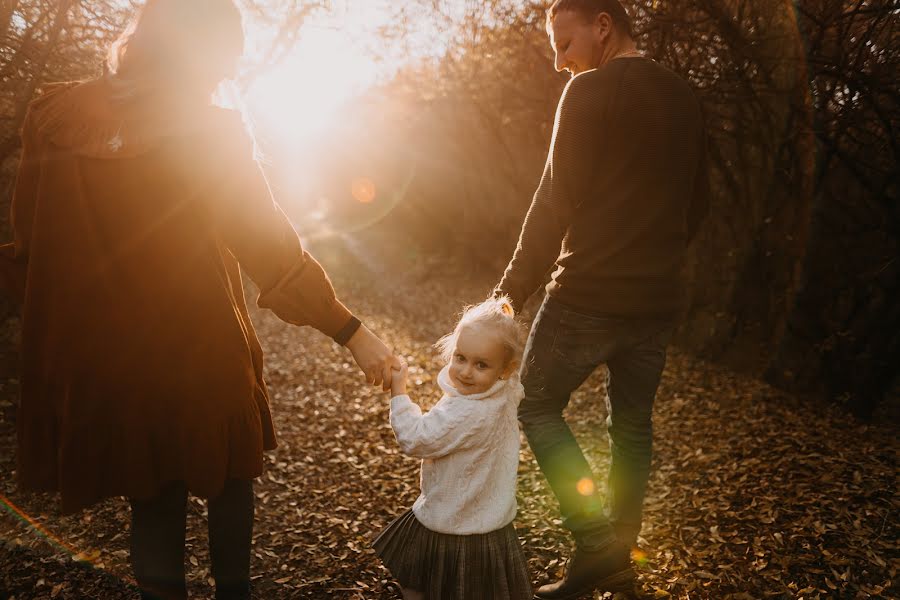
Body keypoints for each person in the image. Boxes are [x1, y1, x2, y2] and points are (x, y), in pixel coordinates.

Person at [0, 1, 399, 599]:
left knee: (151, 498)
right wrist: (351, 332)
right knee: (230, 477)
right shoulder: (210, 130)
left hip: (109, 363)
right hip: (199, 350)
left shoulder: (52, 115)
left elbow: (30, 248)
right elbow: (268, 248)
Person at [492, 0, 709, 597]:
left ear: (603, 27)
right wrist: (656, 259)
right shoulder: (686, 97)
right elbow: (700, 203)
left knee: (533, 405)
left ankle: (595, 544)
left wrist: (509, 292)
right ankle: (619, 552)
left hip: (587, 292)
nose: (562, 62)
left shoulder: (589, 92)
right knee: (632, 426)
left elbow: (556, 200)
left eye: (565, 42)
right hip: (657, 300)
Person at [373, 297, 532, 600]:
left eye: (481, 364)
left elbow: (415, 438)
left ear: (505, 368)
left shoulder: (466, 413)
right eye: (460, 357)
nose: (466, 372)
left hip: (451, 517)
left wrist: (399, 390)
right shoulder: (508, 390)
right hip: (489, 515)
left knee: (418, 578)